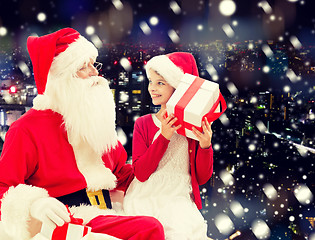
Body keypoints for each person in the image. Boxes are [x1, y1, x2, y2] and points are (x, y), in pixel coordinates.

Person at [0, 28, 164, 240]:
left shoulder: (95, 120)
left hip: (107, 212)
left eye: (92, 64)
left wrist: (161, 176)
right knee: (149, 228)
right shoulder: (26, 129)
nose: (94, 73)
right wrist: (35, 204)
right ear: (61, 77)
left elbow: (121, 172)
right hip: (69, 220)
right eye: (82, 67)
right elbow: (4, 186)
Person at [123, 52, 214, 239]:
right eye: (151, 81)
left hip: (180, 198)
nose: (152, 89)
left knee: (182, 232)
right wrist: (164, 136)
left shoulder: (194, 129)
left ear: (178, 88)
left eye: (160, 83)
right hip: (146, 196)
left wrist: (205, 146)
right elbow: (140, 173)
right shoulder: (144, 123)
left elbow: (202, 177)